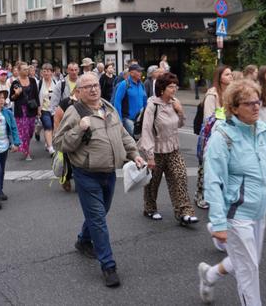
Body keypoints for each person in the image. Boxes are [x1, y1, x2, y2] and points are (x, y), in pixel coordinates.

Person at [197, 79, 266, 305]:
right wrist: (218, 223)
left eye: (257, 101)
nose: (256, 106)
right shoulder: (223, 137)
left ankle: (210, 275)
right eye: (249, 103)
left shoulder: (265, 131)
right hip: (236, 215)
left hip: (259, 211)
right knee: (248, 272)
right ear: (234, 108)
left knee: (250, 261)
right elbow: (213, 182)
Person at [53, 72, 146, 288]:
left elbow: (122, 134)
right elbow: (59, 143)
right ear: (79, 91)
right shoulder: (74, 112)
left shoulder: (108, 107)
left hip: (109, 172)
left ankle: (83, 241)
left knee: (101, 213)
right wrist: (79, 128)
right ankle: (108, 265)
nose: (94, 89)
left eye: (96, 85)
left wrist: (135, 154)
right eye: (88, 87)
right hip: (86, 174)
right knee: (99, 220)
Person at [138, 72, 197, 224]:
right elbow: (146, 131)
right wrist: (149, 156)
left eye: (175, 86)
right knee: (153, 182)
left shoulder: (174, 102)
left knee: (180, 177)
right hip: (156, 151)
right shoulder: (153, 105)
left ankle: (184, 212)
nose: (174, 89)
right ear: (162, 89)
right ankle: (150, 208)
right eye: (171, 87)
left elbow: (180, 124)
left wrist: (180, 111)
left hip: (173, 149)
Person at [195, 65, 234, 209]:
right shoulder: (212, 94)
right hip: (211, 135)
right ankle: (200, 195)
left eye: (231, 74)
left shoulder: (231, 93)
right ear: (220, 78)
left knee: (223, 167)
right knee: (205, 167)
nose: (231, 77)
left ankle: (218, 195)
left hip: (228, 135)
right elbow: (208, 119)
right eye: (227, 74)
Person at [10, 61, 40, 161]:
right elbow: (11, 98)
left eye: (27, 69)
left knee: (31, 131)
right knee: (25, 131)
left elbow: (36, 95)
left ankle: (24, 146)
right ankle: (27, 153)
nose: (26, 71)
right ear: (18, 71)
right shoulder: (15, 83)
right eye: (24, 69)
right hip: (21, 109)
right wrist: (17, 94)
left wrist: (39, 109)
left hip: (31, 108)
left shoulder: (32, 81)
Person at [112, 64, 147, 137]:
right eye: (138, 71)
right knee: (134, 138)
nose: (140, 73)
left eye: (141, 71)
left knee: (140, 139)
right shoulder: (124, 84)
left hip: (139, 119)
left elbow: (144, 101)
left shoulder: (141, 84)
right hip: (127, 119)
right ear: (131, 73)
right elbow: (117, 102)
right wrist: (119, 119)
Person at [37, 63, 56, 155]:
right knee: (48, 126)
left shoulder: (56, 83)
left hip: (54, 109)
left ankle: (48, 143)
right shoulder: (39, 83)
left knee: (52, 127)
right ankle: (51, 148)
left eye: (48, 71)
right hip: (43, 109)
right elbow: (36, 97)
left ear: (52, 72)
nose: (46, 73)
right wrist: (38, 109)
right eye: (44, 71)